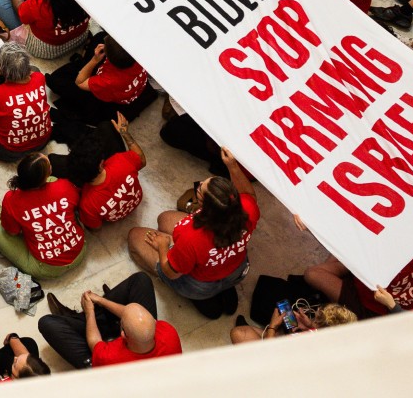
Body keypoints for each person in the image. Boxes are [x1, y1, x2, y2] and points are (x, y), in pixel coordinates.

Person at [128, 149, 259, 314]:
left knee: (134, 236)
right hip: (236, 270)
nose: (200, 183)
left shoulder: (192, 236)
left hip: (199, 284)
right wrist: (232, 166)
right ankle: (221, 288)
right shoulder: (247, 209)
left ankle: (201, 297)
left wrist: (162, 246)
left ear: (206, 208)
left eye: (200, 190)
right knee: (164, 219)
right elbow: (248, 194)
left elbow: (171, 272)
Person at [39, 274, 180, 368]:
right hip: (130, 337)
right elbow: (128, 313)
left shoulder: (110, 358)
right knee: (141, 279)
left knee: (47, 324)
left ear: (123, 334)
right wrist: (102, 300)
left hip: (105, 362)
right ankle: (107, 315)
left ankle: (82, 317)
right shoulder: (169, 333)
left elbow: (95, 343)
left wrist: (90, 312)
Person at [0, 151, 85, 279]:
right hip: (79, 250)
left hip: (46, 267)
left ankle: (5, 214)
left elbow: (12, 232)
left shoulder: (12, 199)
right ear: (46, 175)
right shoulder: (65, 185)